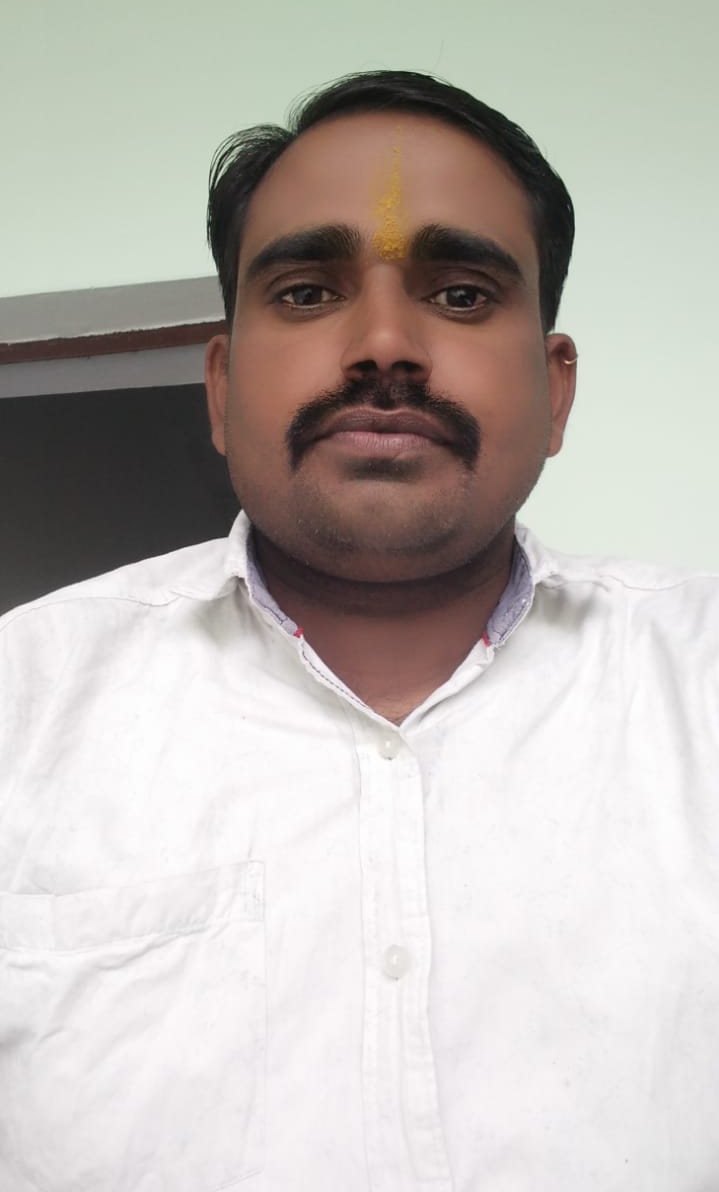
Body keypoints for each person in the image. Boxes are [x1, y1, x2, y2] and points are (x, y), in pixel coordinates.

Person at [1, 70, 718, 1192]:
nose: (383, 344)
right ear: (220, 386)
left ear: (556, 389)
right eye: (304, 292)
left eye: (463, 294)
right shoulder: (22, 702)